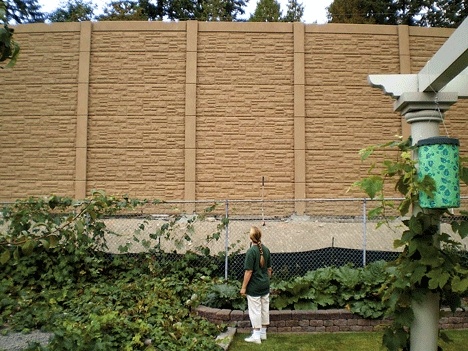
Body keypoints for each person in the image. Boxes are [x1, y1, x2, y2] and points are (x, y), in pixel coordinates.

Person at [240, 225, 272, 344]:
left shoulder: (251, 252)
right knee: (264, 308)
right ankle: (263, 333)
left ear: (250, 237)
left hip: (254, 286)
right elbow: (269, 269)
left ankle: (256, 336)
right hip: (265, 285)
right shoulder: (266, 249)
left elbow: (248, 271)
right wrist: (266, 280)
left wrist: (243, 287)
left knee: (255, 310)